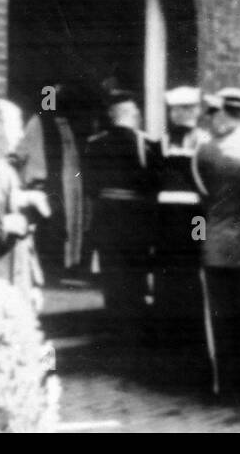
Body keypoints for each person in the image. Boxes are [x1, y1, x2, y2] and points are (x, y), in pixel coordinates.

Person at [192, 87, 240, 398]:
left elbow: (202, 200)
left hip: (217, 243)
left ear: (226, 114)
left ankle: (223, 383)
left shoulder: (206, 150)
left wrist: (200, 238)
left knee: (220, 317)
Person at [82, 89, 155, 345]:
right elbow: (152, 184)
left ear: (112, 116)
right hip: (136, 218)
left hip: (106, 218)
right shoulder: (145, 143)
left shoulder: (94, 143)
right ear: (132, 115)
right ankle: (134, 329)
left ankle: (115, 327)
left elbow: (89, 187)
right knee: (135, 273)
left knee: (112, 274)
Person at [0, 99, 50, 310]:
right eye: (17, 125)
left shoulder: (6, 168)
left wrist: (33, 283)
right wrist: (7, 225)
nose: (22, 134)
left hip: (15, 282)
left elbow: (25, 236)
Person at [151, 85, 209, 348]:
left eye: (186, 109)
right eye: (175, 110)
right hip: (165, 218)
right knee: (166, 272)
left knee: (192, 270)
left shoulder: (205, 141)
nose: (181, 115)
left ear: (196, 111)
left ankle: (191, 335)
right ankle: (167, 336)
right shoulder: (161, 142)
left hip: (194, 217)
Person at [14, 84, 84, 280]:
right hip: (45, 184)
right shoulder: (38, 122)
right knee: (49, 226)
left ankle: (63, 266)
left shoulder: (66, 125)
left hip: (65, 183)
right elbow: (21, 152)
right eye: (53, 96)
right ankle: (50, 269)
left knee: (63, 225)